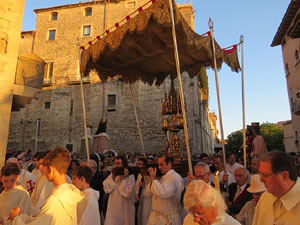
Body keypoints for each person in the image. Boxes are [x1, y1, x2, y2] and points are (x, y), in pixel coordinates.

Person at [8, 146, 84, 225]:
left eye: (45, 166)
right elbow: (41, 219)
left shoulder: (56, 201)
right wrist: (22, 217)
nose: (42, 169)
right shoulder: (69, 193)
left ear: (51, 169)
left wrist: (16, 218)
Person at [252, 150, 300, 225]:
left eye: (265, 175)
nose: (261, 179)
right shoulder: (265, 197)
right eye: (260, 174)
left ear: (284, 176)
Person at [146, 156, 184, 225]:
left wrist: (153, 180)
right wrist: (153, 179)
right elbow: (147, 193)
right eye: (158, 165)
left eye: (161, 164)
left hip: (169, 217)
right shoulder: (160, 177)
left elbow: (163, 193)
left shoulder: (175, 177)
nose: (159, 167)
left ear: (169, 164)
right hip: (157, 216)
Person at [103, 156, 135, 225]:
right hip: (113, 206)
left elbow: (128, 194)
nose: (116, 166)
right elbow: (106, 188)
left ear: (123, 164)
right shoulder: (113, 174)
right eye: (115, 163)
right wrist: (113, 178)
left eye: (118, 163)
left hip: (125, 208)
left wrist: (124, 179)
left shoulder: (130, 176)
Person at [135, 158, 152, 225]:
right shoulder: (139, 175)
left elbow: (151, 188)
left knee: (146, 216)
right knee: (140, 216)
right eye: (137, 164)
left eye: (140, 164)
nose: (138, 166)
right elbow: (137, 185)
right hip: (140, 199)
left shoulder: (149, 176)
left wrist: (145, 186)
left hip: (147, 199)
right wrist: (136, 193)